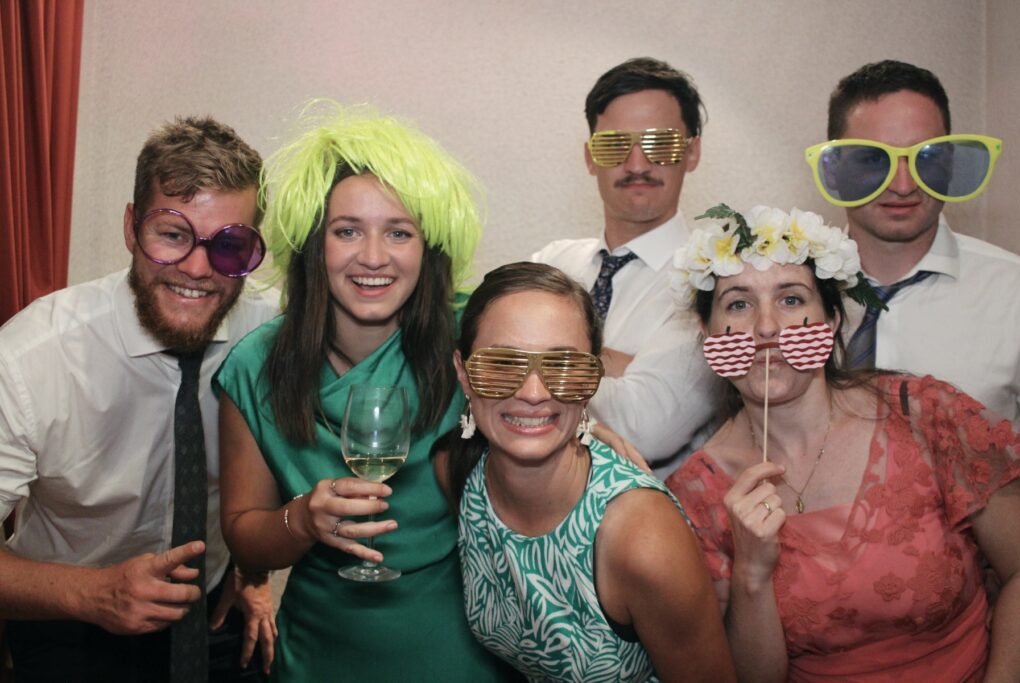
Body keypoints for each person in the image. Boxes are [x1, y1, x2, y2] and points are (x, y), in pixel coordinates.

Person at [214, 103, 516, 681]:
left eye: (398, 232)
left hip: (462, 652)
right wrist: (302, 520)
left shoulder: (472, 338)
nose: (373, 257)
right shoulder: (256, 366)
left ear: (428, 247)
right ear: (313, 244)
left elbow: (549, 383)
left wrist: (588, 426)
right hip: (318, 655)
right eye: (347, 231)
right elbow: (244, 538)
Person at [665, 203, 1020, 682]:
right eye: (738, 304)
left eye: (791, 299)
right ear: (707, 332)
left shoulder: (925, 416)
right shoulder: (695, 495)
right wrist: (752, 572)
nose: (767, 327)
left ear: (832, 320)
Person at [0, 116, 279, 681]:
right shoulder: (30, 357)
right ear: (131, 228)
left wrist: (252, 571)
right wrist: (95, 595)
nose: (197, 269)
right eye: (172, 234)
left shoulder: (270, 335)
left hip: (212, 607)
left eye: (229, 245)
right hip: (67, 614)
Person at [436, 261, 736, 682]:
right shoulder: (459, 472)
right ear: (463, 373)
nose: (534, 392)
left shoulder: (641, 538)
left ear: (593, 379)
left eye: (564, 367)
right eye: (502, 364)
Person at [805, 59, 1020, 425]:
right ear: (832, 168)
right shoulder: (787, 294)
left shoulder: (1016, 295)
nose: (904, 185)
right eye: (873, 158)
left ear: (949, 164)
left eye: (927, 157)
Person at [532, 57, 718, 476]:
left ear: (691, 152)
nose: (637, 165)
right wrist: (614, 363)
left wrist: (534, 359)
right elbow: (484, 375)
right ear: (590, 157)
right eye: (614, 145)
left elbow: (643, 426)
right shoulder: (550, 263)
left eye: (660, 144)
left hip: (645, 512)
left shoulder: (713, 283)